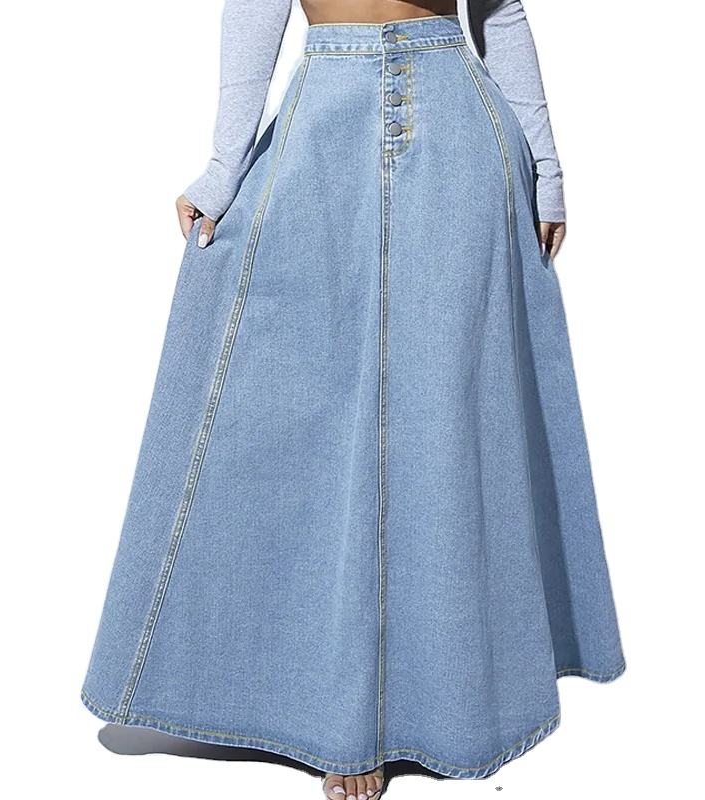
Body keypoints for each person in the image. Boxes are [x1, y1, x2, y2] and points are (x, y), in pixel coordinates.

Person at [81, 2, 626, 798]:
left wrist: (549, 171)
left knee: (445, 426)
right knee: (312, 416)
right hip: (323, 126)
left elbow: (501, 10)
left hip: (461, 134)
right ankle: (333, 706)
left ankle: (440, 701)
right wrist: (224, 168)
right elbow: (255, 9)